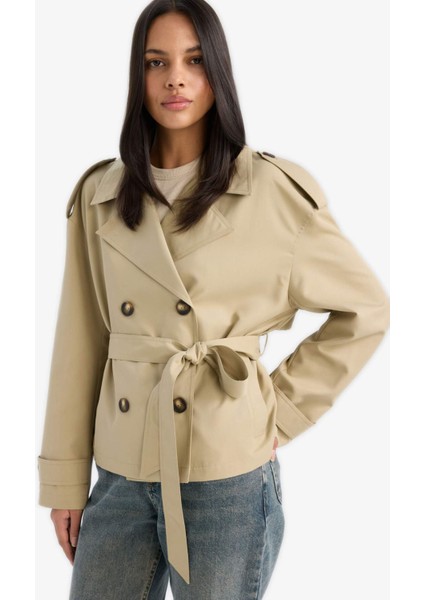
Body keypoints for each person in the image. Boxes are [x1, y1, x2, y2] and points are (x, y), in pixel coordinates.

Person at [37, 0, 390, 598]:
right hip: (120, 471)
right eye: (156, 62)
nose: (174, 78)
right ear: (137, 77)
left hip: (226, 473)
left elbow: (366, 310)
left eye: (194, 60)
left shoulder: (272, 192)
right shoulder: (101, 194)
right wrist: (65, 481)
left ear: (217, 72)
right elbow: (80, 341)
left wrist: (280, 410)